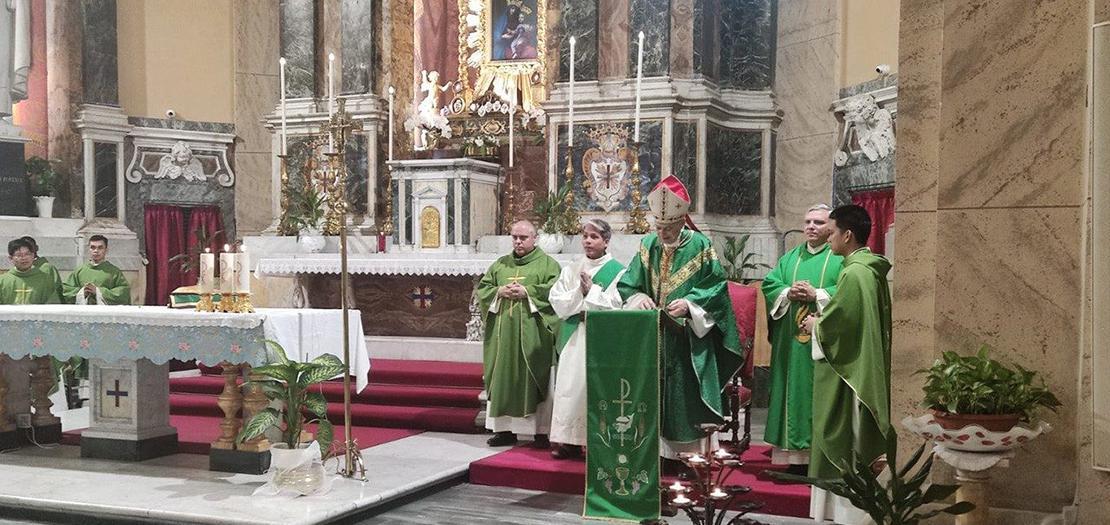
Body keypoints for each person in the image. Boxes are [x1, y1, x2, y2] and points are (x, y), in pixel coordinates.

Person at [617, 175, 745, 460]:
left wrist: (689, 304)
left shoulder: (699, 245)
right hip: (654, 334)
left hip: (689, 336)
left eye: (669, 227)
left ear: (682, 220)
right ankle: (657, 454)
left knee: (685, 392)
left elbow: (716, 287)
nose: (662, 232)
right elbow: (629, 283)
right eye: (659, 226)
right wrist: (639, 298)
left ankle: (690, 455)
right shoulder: (648, 244)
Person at [800, 204, 893, 524]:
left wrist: (816, 326)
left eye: (832, 231)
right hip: (860, 363)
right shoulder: (868, 268)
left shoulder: (855, 273)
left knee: (841, 434)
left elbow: (841, 326)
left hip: (848, 374)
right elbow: (853, 319)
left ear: (848, 235)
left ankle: (847, 513)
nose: (828, 238)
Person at [761, 204, 844, 473]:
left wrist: (817, 295)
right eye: (807, 221)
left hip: (823, 344)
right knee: (790, 388)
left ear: (830, 227)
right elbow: (770, 284)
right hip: (790, 343)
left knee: (815, 390)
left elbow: (846, 290)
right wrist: (787, 293)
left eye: (818, 223)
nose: (810, 227)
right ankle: (792, 458)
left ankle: (817, 456)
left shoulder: (839, 258)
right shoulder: (790, 258)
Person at [477, 220, 561, 448]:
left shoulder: (548, 265)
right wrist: (498, 291)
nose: (518, 241)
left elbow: (556, 293)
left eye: (523, 238)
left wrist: (528, 291)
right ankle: (504, 431)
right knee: (502, 377)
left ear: (535, 238)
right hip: (503, 335)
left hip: (534, 335)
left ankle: (541, 432)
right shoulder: (500, 265)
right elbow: (483, 290)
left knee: (537, 379)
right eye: (514, 237)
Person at [548, 219, 625, 459]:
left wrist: (591, 290)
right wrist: (579, 292)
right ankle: (566, 440)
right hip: (574, 333)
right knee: (569, 386)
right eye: (585, 236)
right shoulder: (571, 268)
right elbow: (557, 300)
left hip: (599, 336)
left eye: (594, 237)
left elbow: (617, 304)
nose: (588, 241)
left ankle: (594, 440)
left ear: (606, 241)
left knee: (593, 387)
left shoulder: (619, 271)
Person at [62, 235, 131, 305]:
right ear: (89, 249)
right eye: (93, 247)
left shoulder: (114, 272)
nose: (96, 251)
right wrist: (82, 292)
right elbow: (67, 291)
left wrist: (98, 291)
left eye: (100, 248)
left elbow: (123, 293)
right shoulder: (79, 270)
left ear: (106, 250)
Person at [0, 238, 61, 304]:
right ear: (11, 258)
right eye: (19, 255)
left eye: (27, 254)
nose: (24, 258)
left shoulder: (46, 280)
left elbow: (53, 308)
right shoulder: (2, 281)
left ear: (33, 255)